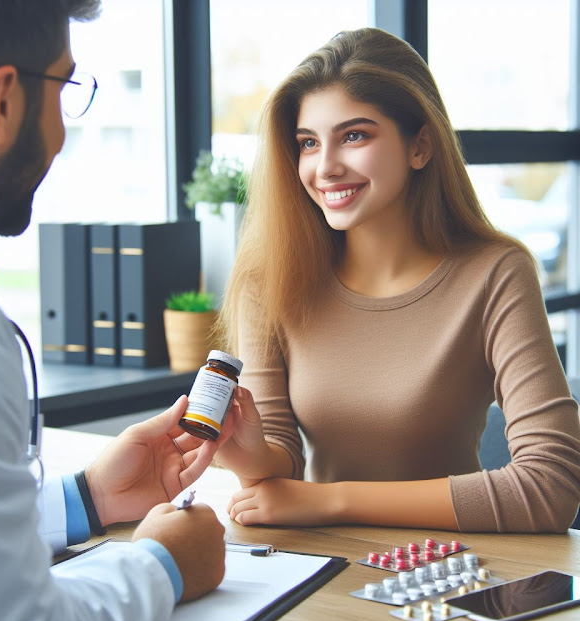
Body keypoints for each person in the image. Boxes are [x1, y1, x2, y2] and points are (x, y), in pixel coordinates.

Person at [0, 2, 249, 621]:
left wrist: (89, 498)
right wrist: (163, 565)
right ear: (1, 103)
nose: (61, 130)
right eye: (64, 88)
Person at [213, 27, 580, 533]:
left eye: (355, 135)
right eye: (308, 143)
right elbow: (279, 470)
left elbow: (550, 487)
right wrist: (250, 453)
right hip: (318, 567)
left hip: (453, 566)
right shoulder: (269, 281)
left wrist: (335, 501)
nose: (325, 168)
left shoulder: (495, 274)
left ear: (421, 146)